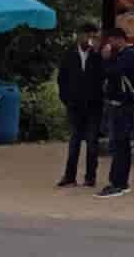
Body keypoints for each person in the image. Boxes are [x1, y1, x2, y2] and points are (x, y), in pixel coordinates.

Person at [96, 27, 134, 199]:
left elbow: (114, 73)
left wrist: (106, 60)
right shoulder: (126, 54)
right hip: (121, 105)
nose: (110, 44)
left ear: (120, 39)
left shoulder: (128, 56)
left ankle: (118, 183)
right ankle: (119, 182)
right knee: (120, 144)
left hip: (123, 106)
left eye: (112, 41)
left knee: (119, 145)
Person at [56, 23, 103, 188]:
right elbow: (62, 80)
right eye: (87, 35)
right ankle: (70, 176)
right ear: (79, 35)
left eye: (93, 36)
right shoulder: (69, 55)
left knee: (92, 142)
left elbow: (104, 76)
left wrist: (99, 54)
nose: (90, 39)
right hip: (74, 106)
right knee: (74, 140)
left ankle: (90, 177)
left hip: (94, 106)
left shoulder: (98, 56)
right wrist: (67, 100)